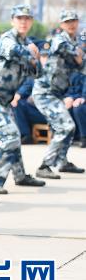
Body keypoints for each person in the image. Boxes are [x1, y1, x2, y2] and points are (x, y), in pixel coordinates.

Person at [0, 4, 46, 193]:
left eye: (27, 18)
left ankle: (20, 176)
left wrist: (34, 58)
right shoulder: (8, 39)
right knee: (10, 135)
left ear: (31, 22)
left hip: (3, 101)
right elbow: (15, 51)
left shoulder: (28, 43)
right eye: (19, 18)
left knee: (14, 135)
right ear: (13, 21)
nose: (23, 22)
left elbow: (38, 73)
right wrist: (32, 53)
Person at [32, 10, 85, 178]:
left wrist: (79, 54)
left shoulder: (75, 42)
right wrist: (78, 53)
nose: (71, 24)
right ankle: (44, 165)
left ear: (77, 22)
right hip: (45, 92)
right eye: (67, 21)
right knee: (66, 126)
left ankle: (62, 161)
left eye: (73, 21)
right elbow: (73, 55)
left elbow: (81, 65)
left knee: (68, 127)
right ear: (61, 25)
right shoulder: (60, 40)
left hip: (57, 93)